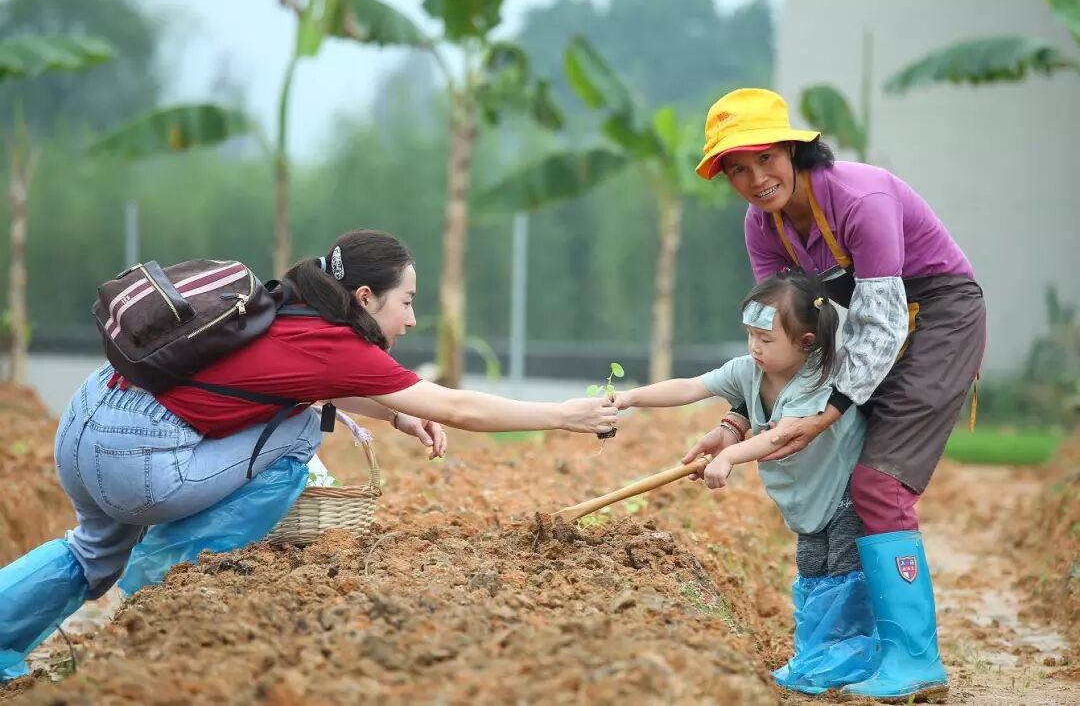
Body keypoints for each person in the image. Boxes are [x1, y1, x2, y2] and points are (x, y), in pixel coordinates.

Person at [0, 229, 618, 679]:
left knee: (91, 551)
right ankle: (161, 588)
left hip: (84, 427)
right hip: (136, 462)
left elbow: (296, 377)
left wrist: (398, 413)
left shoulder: (279, 307)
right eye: (407, 302)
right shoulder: (335, 341)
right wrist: (566, 415)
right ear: (368, 297)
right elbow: (457, 407)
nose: (412, 318)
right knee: (301, 432)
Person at [683, 87, 984, 701]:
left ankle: (914, 659)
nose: (754, 178)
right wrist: (740, 418)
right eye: (736, 169)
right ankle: (854, 648)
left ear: (794, 148)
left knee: (880, 483)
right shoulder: (760, 225)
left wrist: (826, 414)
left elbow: (881, 319)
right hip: (873, 331)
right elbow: (783, 337)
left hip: (939, 317)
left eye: (764, 158)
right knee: (850, 486)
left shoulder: (858, 198)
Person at [617, 270, 879, 694]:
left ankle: (849, 658)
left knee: (843, 567)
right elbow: (690, 386)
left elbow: (782, 435)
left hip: (845, 486)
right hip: (807, 496)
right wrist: (630, 398)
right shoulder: (748, 371)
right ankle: (818, 653)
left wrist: (730, 455)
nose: (754, 348)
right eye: (750, 336)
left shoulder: (818, 378)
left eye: (766, 339)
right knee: (813, 567)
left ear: (806, 343)